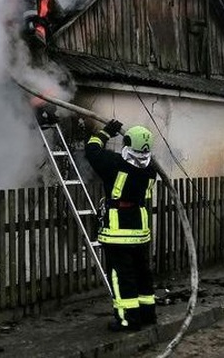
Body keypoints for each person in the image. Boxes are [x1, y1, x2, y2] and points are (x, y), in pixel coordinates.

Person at [85, 120, 158, 331]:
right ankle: (147, 315)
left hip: (118, 233)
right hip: (140, 231)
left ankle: (128, 319)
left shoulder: (113, 164)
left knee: (121, 276)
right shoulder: (151, 170)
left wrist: (107, 131)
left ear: (127, 143)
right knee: (143, 274)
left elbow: (92, 149)